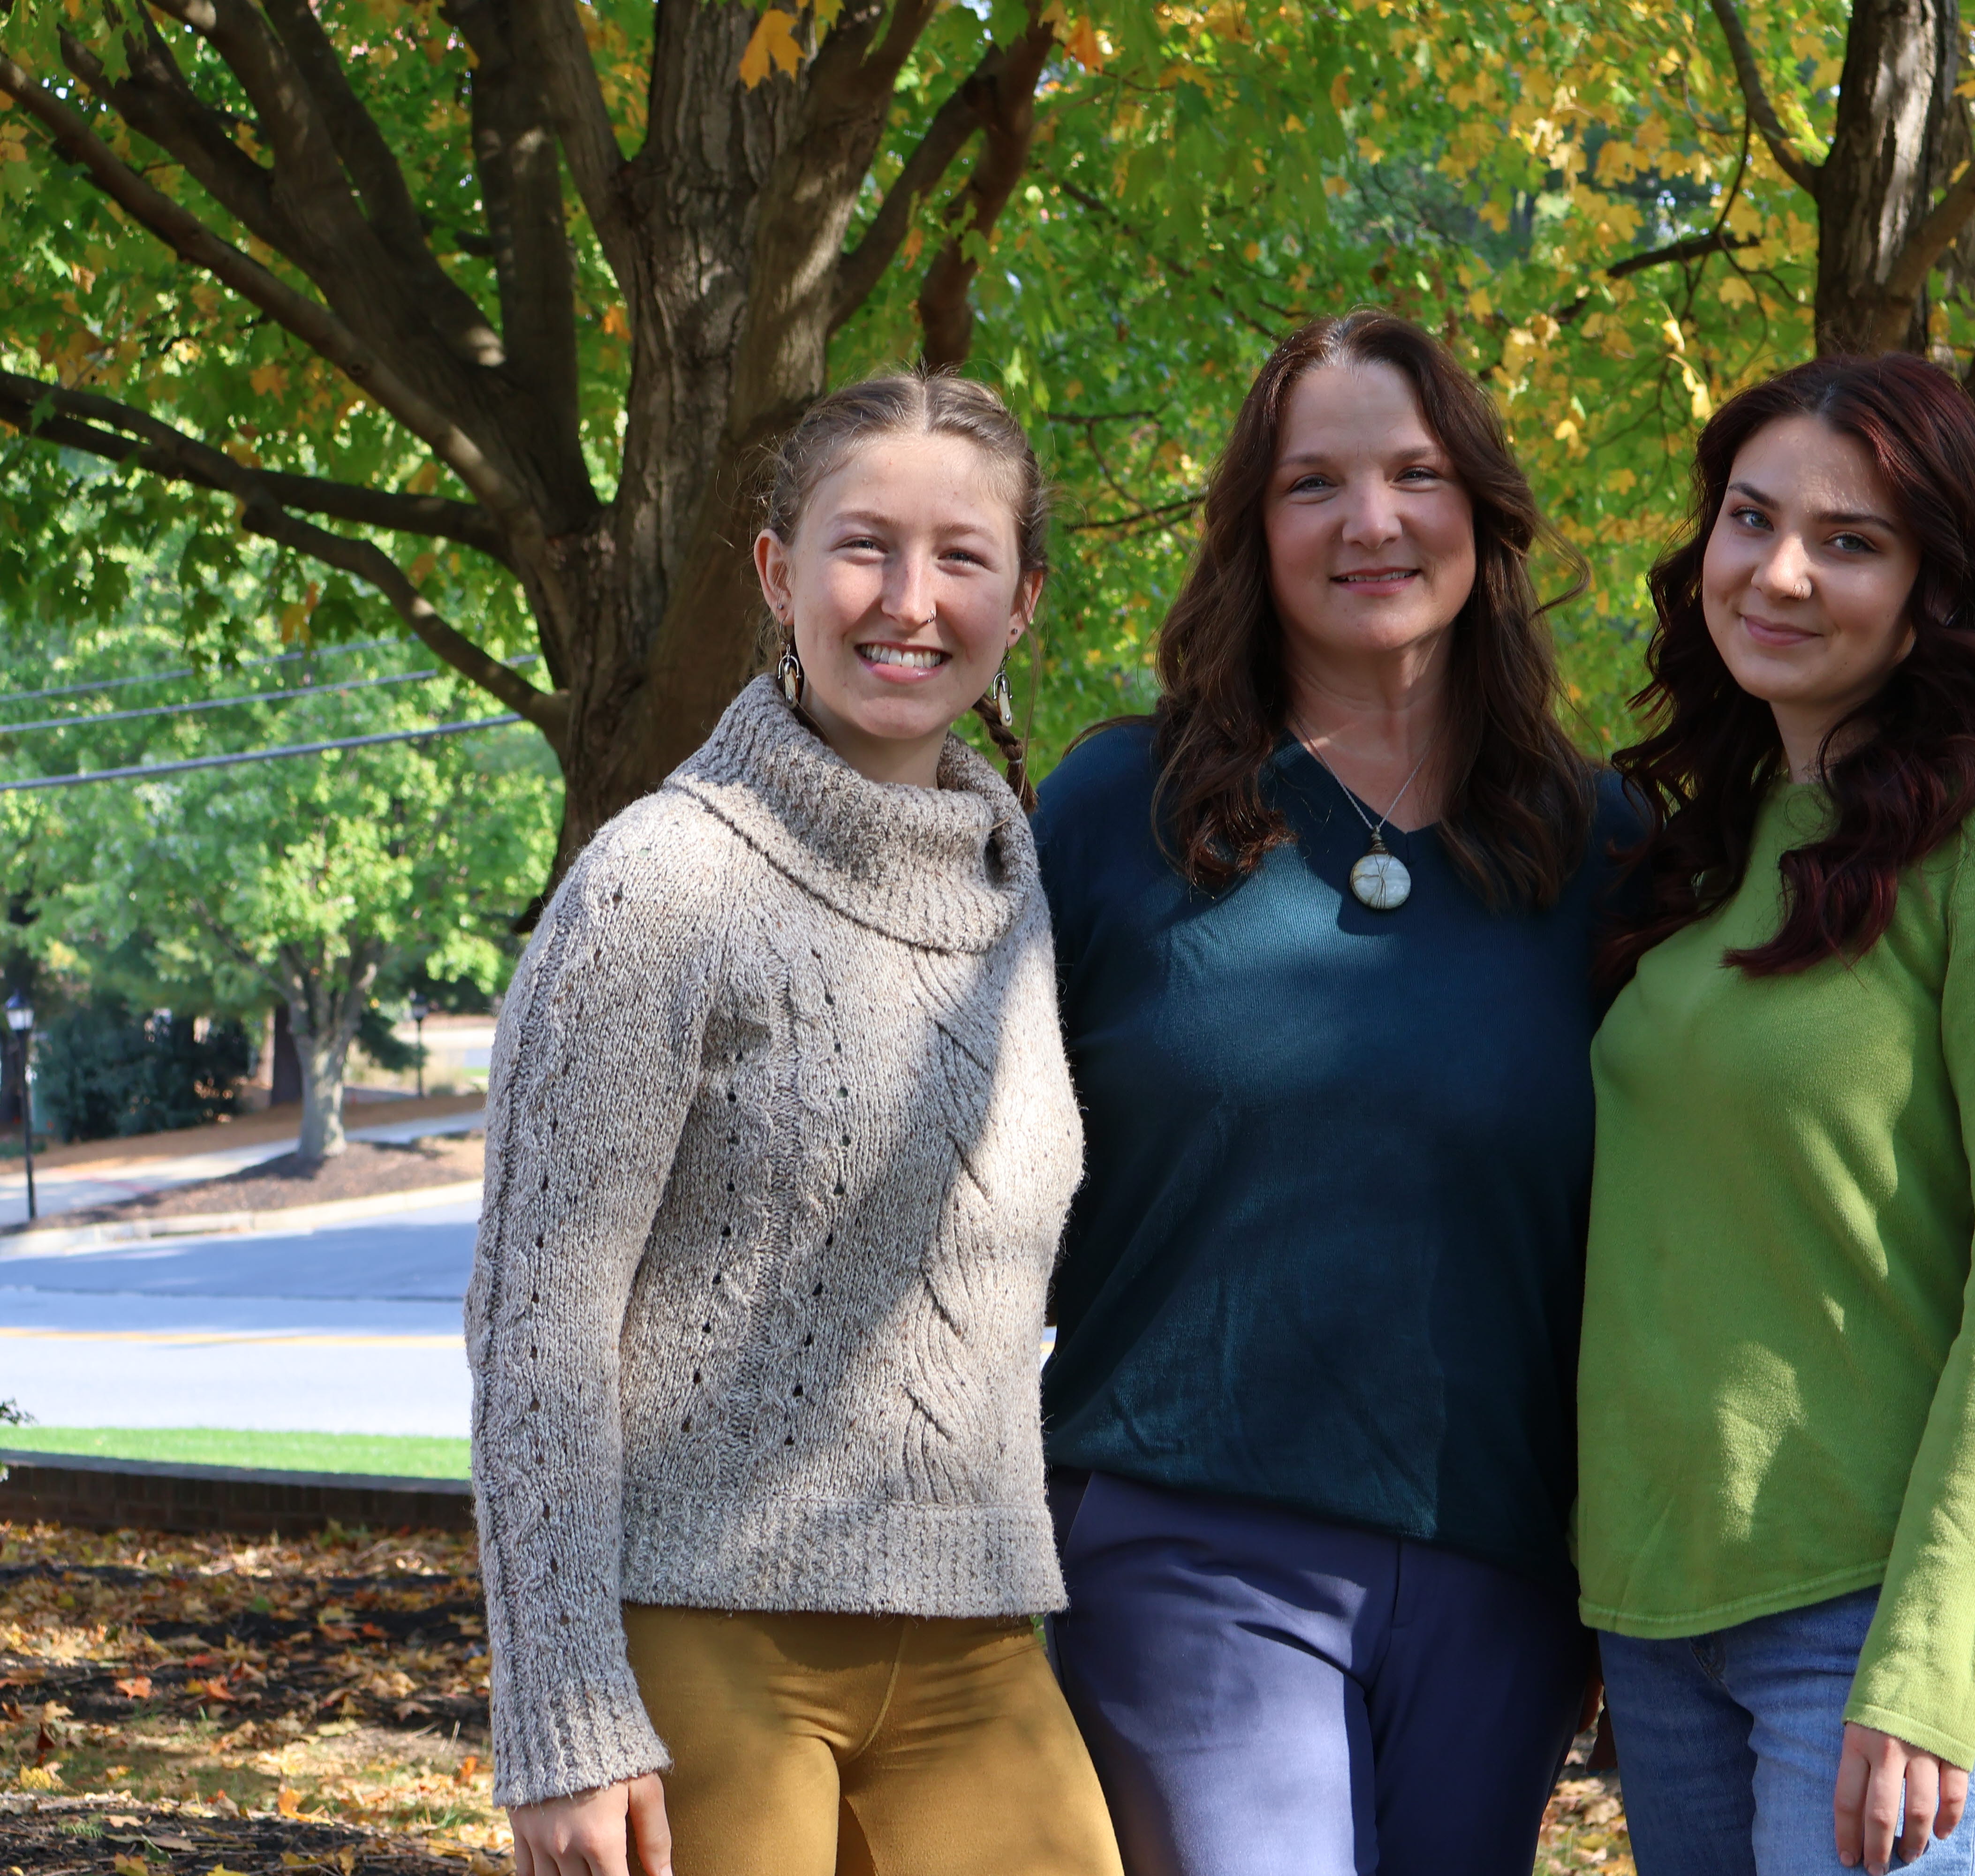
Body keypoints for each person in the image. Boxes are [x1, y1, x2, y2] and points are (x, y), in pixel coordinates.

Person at [467, 372, 1120, 1876]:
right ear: (776, 573)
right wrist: (565, 1710)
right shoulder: (663, 885)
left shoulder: (1007, 874)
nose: (908, 600)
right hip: (706, 1629)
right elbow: (539, 1320)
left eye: (962, 557)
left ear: (1022, 602)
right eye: (862, 546)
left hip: (978, 1642)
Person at [1029, 310, 1633, 1876]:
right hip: (1186, 1534)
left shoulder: (1607, 852)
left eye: (1417, 473)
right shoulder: (1114, 814)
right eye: (1315, 484)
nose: (1372, 521)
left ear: (1484, 519)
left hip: (1503, 1567)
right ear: (1253, 532)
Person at [1575, 354, 1975, 1876]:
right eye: (1750, 519)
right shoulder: (1702, 847)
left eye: (1850, 540)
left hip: (1884, 1611)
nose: (1780, 571)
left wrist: (1932, 1664)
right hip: (1664, 1623)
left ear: (1933, 584)